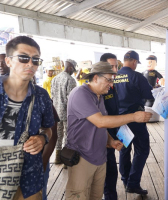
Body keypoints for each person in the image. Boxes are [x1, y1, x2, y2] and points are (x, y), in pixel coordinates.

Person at [0, 35, 54, 199]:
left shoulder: (41, 96)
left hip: (28, 178)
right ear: (8, 61)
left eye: (35, 60)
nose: (30, 64)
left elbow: (48, 128)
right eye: (23, 58)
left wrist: (42, 138)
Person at [65, 61, 152, 200]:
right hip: (82, 158)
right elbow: (100, 122)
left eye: (113, 81)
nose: (111, 85)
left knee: (96, 196)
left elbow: (99, 125)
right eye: (109, 80)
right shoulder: (81, 94)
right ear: (95, 78)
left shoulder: (98, 95)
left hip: (99, 157)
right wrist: (134, 117)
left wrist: (110, 141)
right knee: (78, 195)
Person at [115, 50, 154, 195]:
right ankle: (132, 183)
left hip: (120, 119)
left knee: (124, 149)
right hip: (136, 120)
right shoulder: (137, 76)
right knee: (142, 149)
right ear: (134, 62)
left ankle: (125, 179)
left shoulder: (114, 76)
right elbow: (149, 95)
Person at [100, 53, 119, 200]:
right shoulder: (97, 90)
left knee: (111, 173)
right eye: (110, 66)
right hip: (101, 139)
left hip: (112, 136)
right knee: (107, 173)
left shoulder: (112, 87)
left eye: (116, 66)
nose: (115, 70)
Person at [51, 59, 77, 165]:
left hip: (56, 111)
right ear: (70, 68)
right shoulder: (70, 80)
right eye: (73, 70)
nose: (73, 72)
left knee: (58, 134)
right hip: (67, 112)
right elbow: (71, 99)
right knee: (68, 135)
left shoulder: (55, 79)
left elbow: (52, 95)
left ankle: (57, 157)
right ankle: (66, 159)